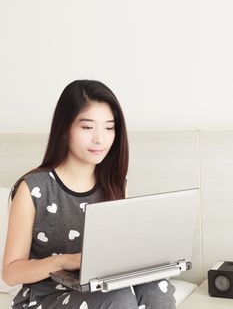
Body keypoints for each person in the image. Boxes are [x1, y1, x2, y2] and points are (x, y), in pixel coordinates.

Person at [2, 80, 176, 309]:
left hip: (100, 289)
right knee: (118, 298)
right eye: (87, 127)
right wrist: (65, 260)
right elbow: (11, 273)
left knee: (157, 289)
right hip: (44, 299)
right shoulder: (33, 188)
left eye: (109, 127)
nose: (100, 139)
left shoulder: (115, 184)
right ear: (65, 129)